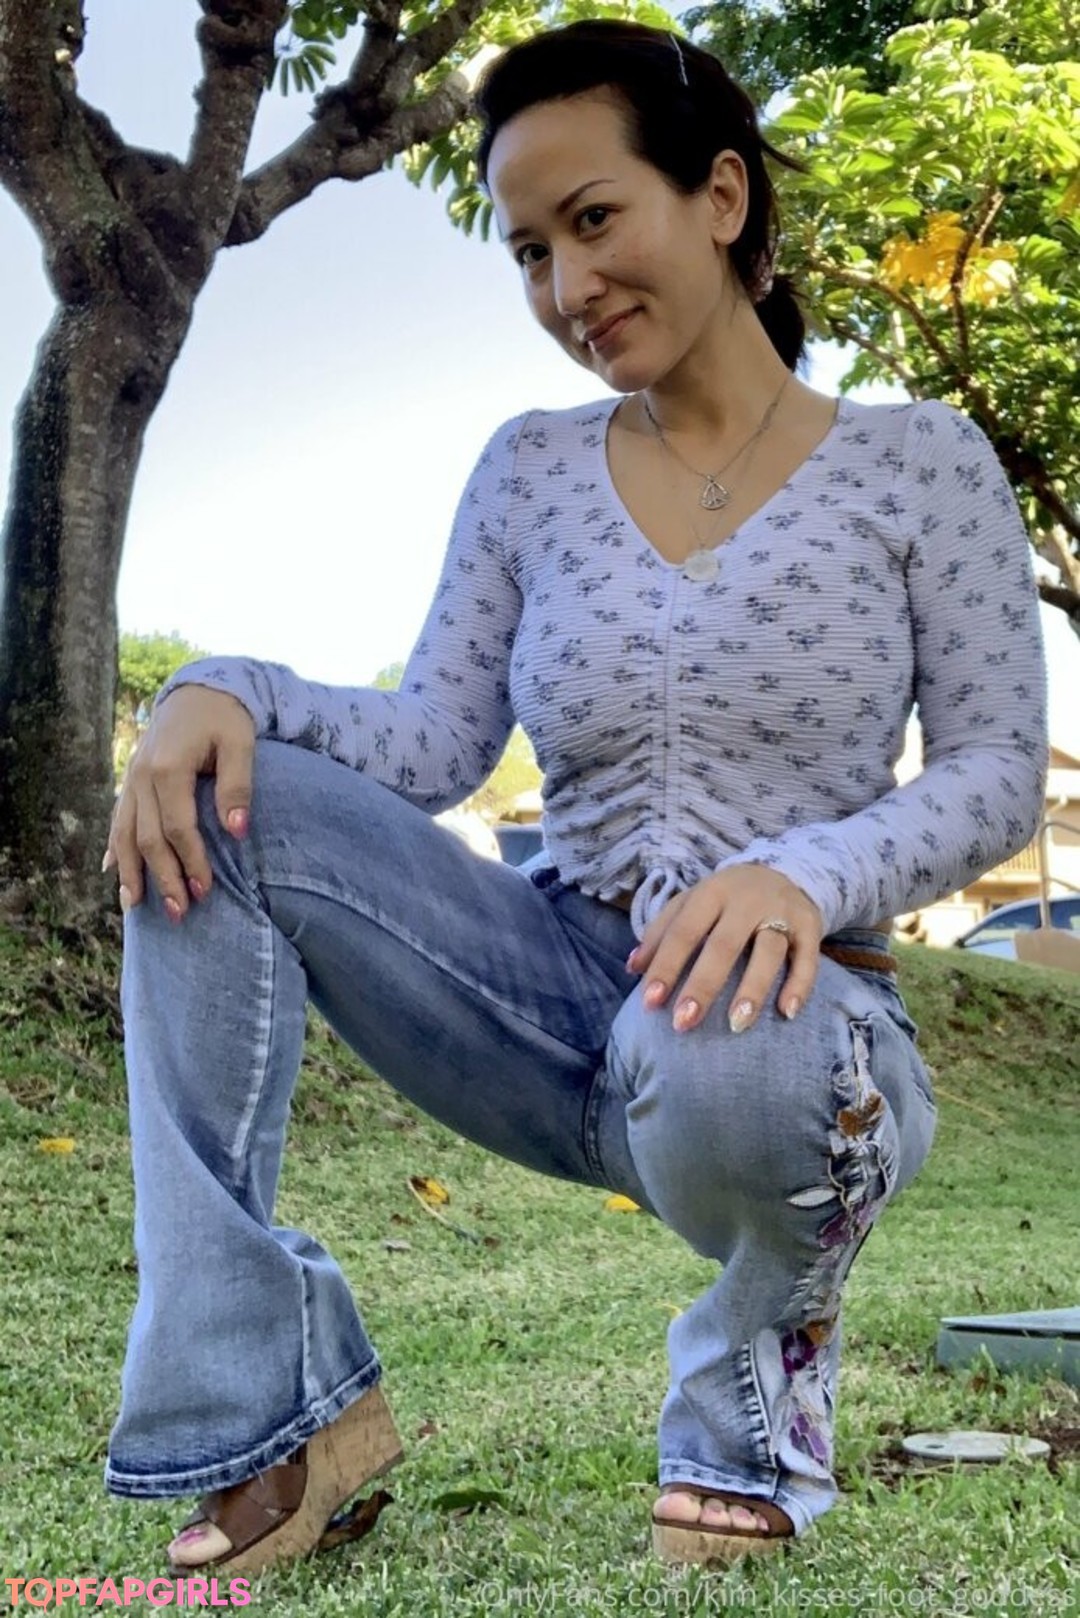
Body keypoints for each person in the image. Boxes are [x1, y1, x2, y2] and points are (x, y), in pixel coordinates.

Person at [102, 19, 1048, 1576]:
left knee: (739, 1036)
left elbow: (999, 767)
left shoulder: (917, 464)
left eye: (595, 220)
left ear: (721, 197)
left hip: (793, 1023)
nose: (566, 287)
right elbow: (431, 742)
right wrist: (225, 691)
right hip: (543, 1000)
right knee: (213, 799)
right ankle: (277, 1409)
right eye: (532, 252)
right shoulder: (530, 468)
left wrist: (804, 873)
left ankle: (753, 1397)